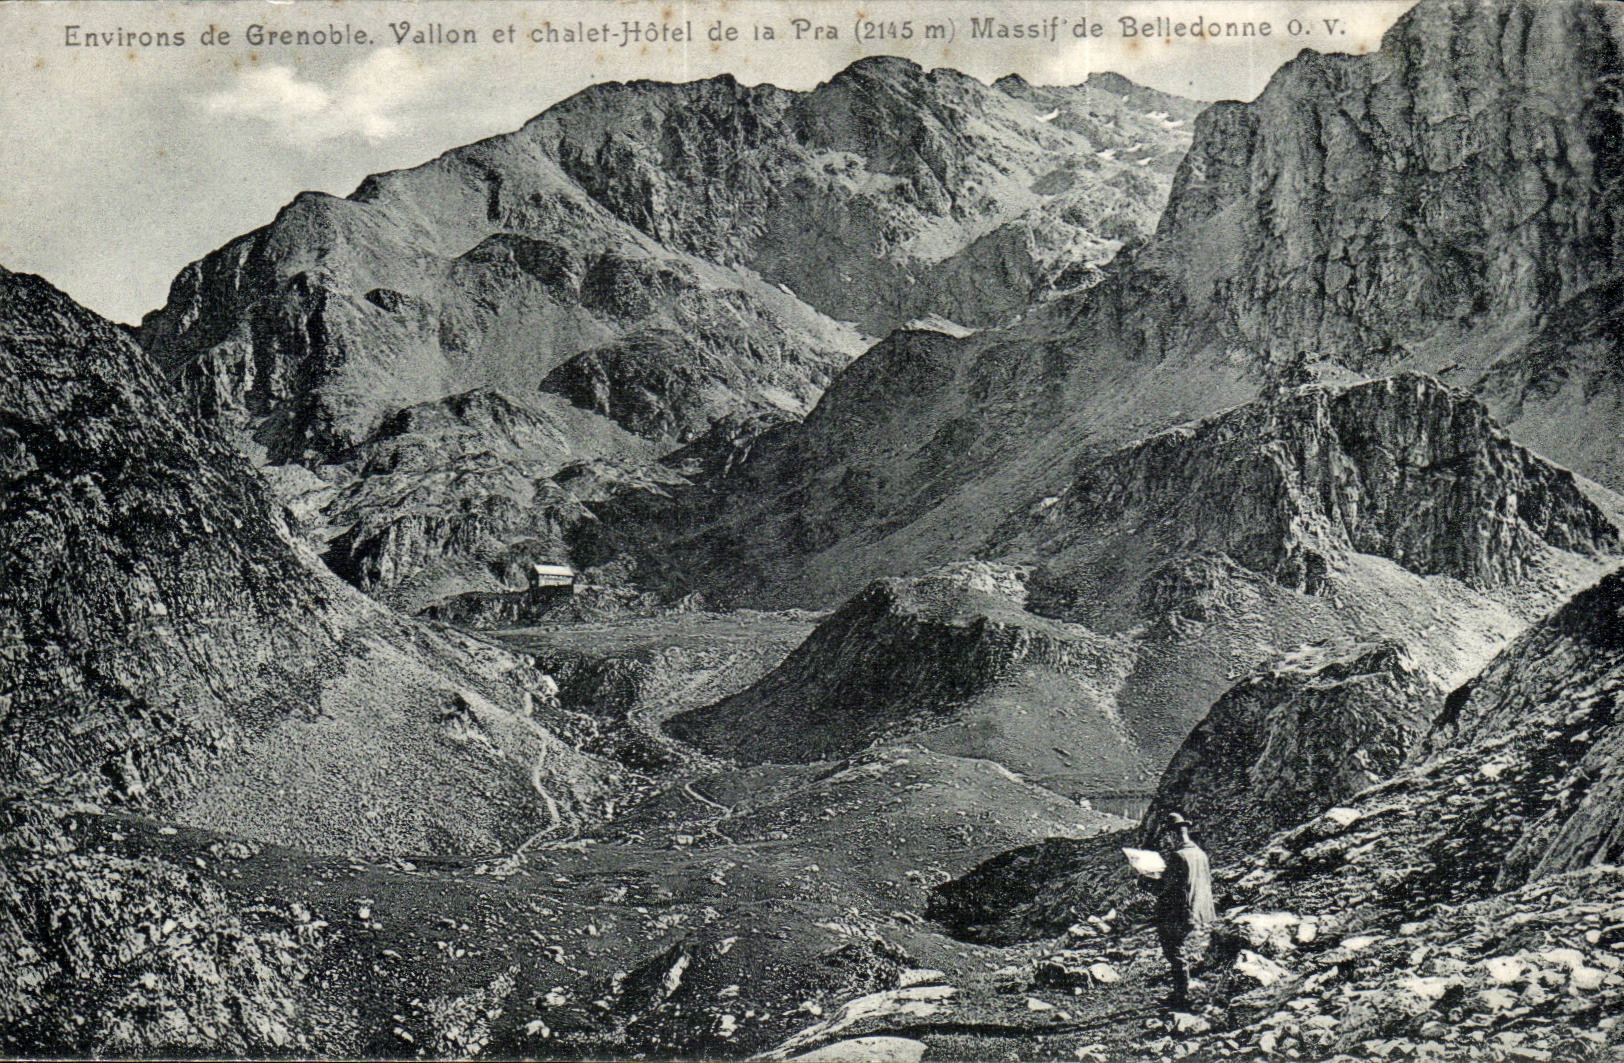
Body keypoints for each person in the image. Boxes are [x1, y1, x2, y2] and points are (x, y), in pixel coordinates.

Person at [1154, 812, 1215, 1007]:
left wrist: (1149, 880)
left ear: (1172, 835)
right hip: (1199, 911)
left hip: (1180, 912)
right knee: (1181, 949)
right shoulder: (1200, 853)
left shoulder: (1178, 856)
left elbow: (1167, 888)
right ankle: (1183, 993)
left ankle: (1182, 996)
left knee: (1174, 950)